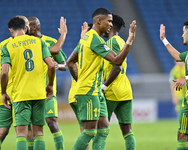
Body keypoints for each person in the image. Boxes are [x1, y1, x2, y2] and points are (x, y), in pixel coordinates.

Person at [66, 7, 136, 150]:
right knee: (90, 132)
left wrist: (79, 79)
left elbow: (70, 61)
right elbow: (117, 61)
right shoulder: (95, 40)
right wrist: (129, 40)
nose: (111, 24)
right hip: (90, 91)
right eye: (108, 21)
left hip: (96, 90)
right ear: (99, 21)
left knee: (104, 129)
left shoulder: (86, 37)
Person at [1, 16, 55, 150]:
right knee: (38, 133)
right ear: (26, 28)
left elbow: (4, 73)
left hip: (20, 95)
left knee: (21, 134)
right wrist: (50, 85)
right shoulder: (39, 42)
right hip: (39, 93)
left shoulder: (7, 46)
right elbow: (52, 66)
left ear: (10, 31)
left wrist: (3, 92)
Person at [28, 16, 67, 150]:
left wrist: (57, 65)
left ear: (33, 28)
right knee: (31, 128)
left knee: (52, 122)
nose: (24, 29)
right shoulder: (25, 43)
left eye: (27, 26)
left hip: (48, 91)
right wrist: (63, 35)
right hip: (30, 90)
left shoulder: (50, 41)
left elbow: (64, 65)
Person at [160, 19, 188, 150]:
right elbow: (177, 57)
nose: (181, 35)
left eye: (183, 32)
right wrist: (164, 39)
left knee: (182, 134)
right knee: (182, 133)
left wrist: (186, 78)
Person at [0, 15, 34, 150]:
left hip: (12, 92)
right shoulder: (32, 43)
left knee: (6, 130)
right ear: (25, 27)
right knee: (24, 131)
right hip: (20, 92)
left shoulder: (3, 45)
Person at [102, 13, 136, 149]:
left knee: (100, 128)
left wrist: (103, 87)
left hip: (112, 90)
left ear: (110, 26)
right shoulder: (122, 41)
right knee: (127, 129)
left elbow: (116, 67)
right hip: (125, 90)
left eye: (108, 23)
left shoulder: (112, 42)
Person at [68, 22, 93, 150]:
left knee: (85, 129)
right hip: (82, 93)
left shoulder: (81, 49)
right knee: (89, 130)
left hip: (75, 94)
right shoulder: (89, 49)